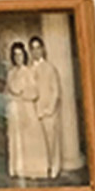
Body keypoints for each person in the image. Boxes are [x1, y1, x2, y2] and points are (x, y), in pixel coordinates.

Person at [26, 33, 64, 180]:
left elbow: (55, 91)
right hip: (32, 112)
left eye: (38, 48)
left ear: (43, 49)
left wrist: (49, 109)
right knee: (36, 142)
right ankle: (40, 168)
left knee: (51, 141)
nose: (36, 51)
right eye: (33, 49)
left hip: (48, 112)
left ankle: (54, 167)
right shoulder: (28, 69)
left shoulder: (50, 68)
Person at [3, 41, 42, 183]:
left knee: (28, 140)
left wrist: (21, 96)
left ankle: (30, 169)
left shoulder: (28, 72)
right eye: (15, 55)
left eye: (20, 55)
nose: (18, 58)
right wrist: (11, 97)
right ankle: (16, 168)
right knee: (15, 138)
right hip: (14, 110)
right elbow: (6, 90)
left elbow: (34, 93)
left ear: (24, 55)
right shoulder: (11, 73)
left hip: (25, 108)